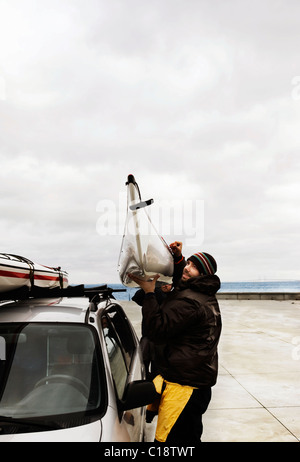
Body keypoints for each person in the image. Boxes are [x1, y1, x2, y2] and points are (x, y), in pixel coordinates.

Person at [128, 241, 222, 444]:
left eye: (194, 266)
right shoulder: (201, 293)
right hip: (193, 383)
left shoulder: (190, 302)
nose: (187, 267)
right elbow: (182, 283)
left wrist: (150, 293)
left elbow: (156, 330)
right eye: (188, 263)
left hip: (185, 390)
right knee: (188, 436)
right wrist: (178, 259)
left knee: (178, 441)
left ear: (204, 274)